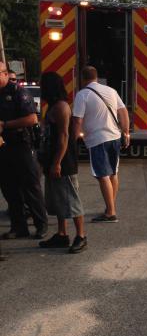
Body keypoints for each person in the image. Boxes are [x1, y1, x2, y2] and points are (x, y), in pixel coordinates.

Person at [71, 66, 130, 222]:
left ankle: (110, 212)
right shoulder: (111, 91)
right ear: (96, 77)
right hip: (114, 137)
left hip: (98, 140)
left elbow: (77, 120)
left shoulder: (82, 95)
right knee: (112, 173)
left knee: (102, 175)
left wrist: (73, 138)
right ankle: (111, 206)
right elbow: (123, 112)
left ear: (82, 78)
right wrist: (126, 132)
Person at [38, 72, 87, 253]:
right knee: (58, 200)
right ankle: (61, 234)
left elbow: (64, 136)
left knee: (70, 199)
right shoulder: (51, 106)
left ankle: (81, 236)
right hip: (52, 159)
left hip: (63, 161)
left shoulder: (61, 107)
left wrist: (57, 162)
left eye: (44, 84)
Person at [0, 61, 48, 239]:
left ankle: (41, 224)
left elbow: (31, 119)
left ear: (5, 74)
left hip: (20, 145)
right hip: (3, 148)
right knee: (9, 190)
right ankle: (18, 227)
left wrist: (5, 125)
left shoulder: (18, 92)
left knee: (30, 187)